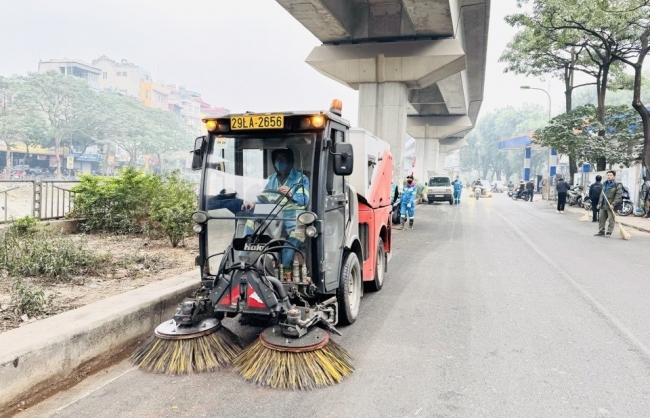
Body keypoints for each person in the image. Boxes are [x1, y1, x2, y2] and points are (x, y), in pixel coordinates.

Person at [242, 149, 310, 275]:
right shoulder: (271, 179)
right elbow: (263, 197)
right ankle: (242, 262)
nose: (280, 162)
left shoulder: (301, 179)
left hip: (293, 218)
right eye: (277, 159)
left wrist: (290, 194)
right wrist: (253, 202)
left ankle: (285, 270)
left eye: (283, 159)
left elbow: (304, 200)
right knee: (251, 221)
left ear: (290, 161)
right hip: (273, 216)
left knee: (295, 236)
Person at [595, 170, 623, 238]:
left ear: (614, 176)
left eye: (610, 175)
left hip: (611, 205)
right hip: (603, 204)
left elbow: (618, 196)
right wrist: (599, 203)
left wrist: (613, 204)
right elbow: (602, 194)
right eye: (608, 175)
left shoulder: (617, 185)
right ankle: (601, 231)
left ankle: (609, 232)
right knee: (601, 218)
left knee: (611, 219)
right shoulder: (604, 184)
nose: (609, 176)